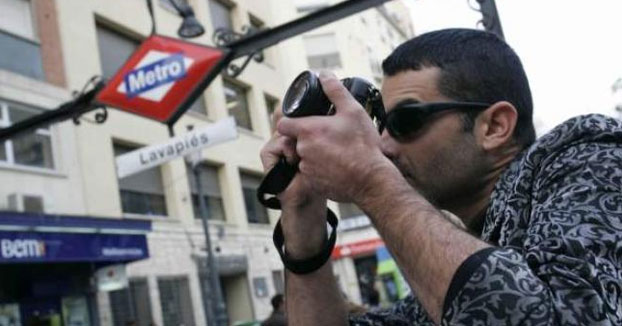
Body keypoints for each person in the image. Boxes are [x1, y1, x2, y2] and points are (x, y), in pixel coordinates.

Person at [260, 28, 622, 325]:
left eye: (405, 121)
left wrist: (368, 177)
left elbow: (566, 316)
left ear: (495, 126)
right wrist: (302, 216)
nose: (383, 145)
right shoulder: (443, 264)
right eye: (381, 124)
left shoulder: (588, 150)